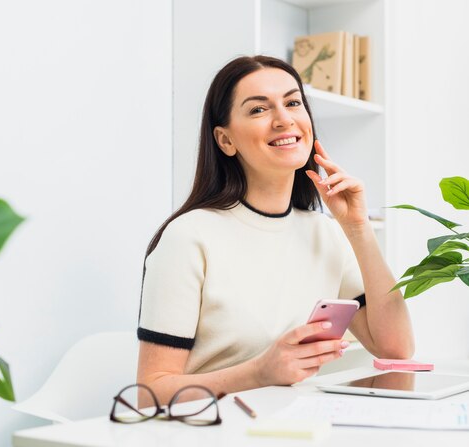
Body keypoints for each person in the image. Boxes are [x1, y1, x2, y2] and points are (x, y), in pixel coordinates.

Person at [136, 55, 414, 404]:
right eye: (258, 110)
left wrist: (358, 229)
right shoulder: (189, 237)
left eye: (293, 102)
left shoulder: (325, 233)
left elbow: (397, 350)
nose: (284, 119)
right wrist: (258, 373)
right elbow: (148, 395)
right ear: (225, 140)